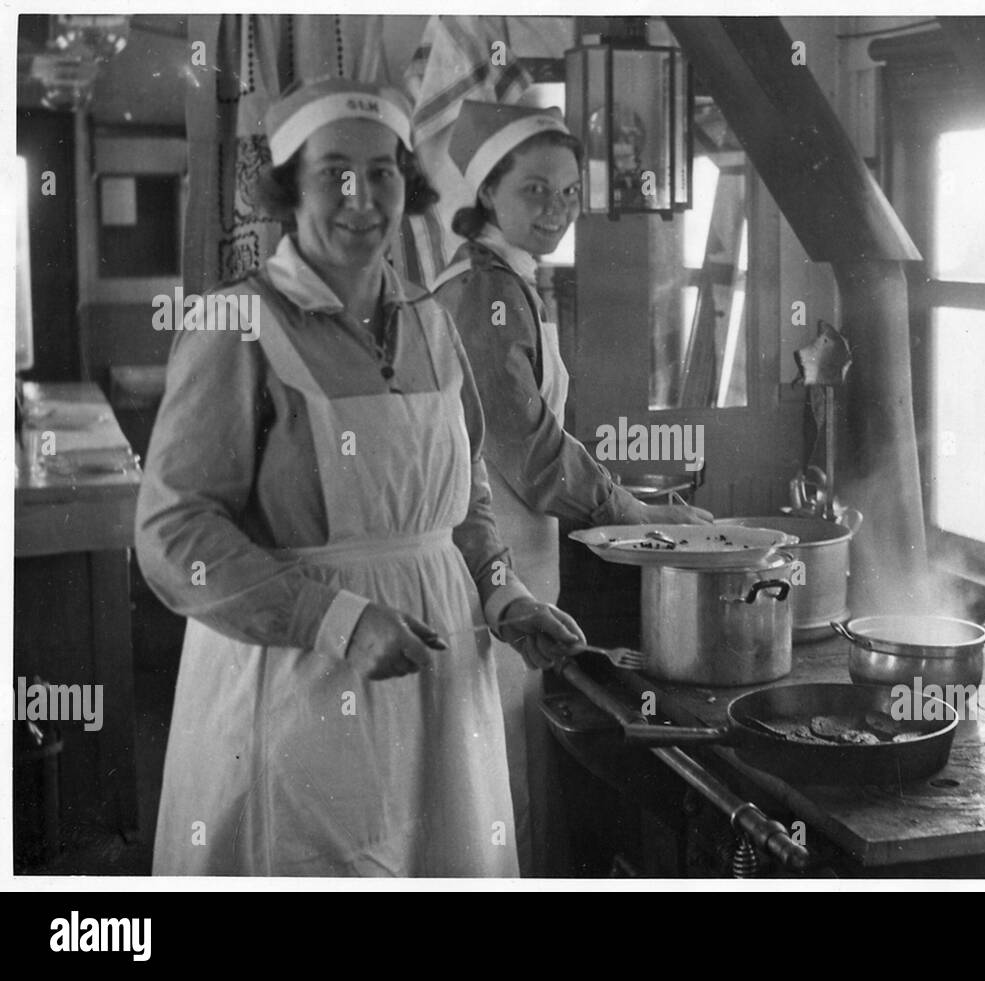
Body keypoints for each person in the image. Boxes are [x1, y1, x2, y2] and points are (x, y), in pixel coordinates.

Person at [135, 79, 582, 876]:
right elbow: (174, 537)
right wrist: (337, 620)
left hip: (441, 688)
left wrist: (502, 594)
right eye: (333, 170)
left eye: (382, 172)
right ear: (285, 186)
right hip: (297, 687)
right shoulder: (235, 327)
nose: (361, 196)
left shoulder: (430, 321)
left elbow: (461, 497)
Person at [430, 100, 711, 875]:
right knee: (498, 780)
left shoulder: (513, 281)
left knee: (510, 763)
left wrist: (632, 509)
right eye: (534, 192)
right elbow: (532, 453)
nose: (555, 211)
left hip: (523, 555)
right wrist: (639, 514)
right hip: (492, 562)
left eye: (567, 194)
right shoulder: (483, 293)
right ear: (488, 194)